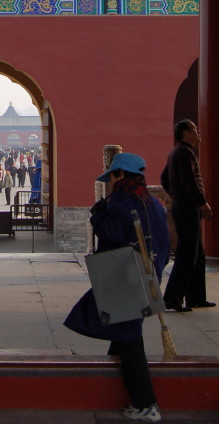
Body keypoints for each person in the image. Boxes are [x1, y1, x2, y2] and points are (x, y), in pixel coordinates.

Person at [64, 153, 169, 423]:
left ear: (119, 174)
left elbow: (110, 233)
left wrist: (98, 214)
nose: (110, 182)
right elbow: (165, 244)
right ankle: (117, 384)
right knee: (123, 332)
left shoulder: (120, 201)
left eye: (112, 176)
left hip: (124, 279)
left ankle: (146, 404)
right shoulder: (153, 203)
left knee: (128, 337)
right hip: (147, 276)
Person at [161, 120, 215, 312]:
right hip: (187, 207)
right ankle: (172, 299)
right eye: (194, 129)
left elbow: (164, 178)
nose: (198, 132)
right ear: (185, 133)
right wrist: (202, 202)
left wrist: (175, 194)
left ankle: (196, 297)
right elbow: (190, 181)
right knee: (187, 254)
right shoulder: (184, 153)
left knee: (197, 253)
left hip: (184, 205)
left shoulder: (176, 152)